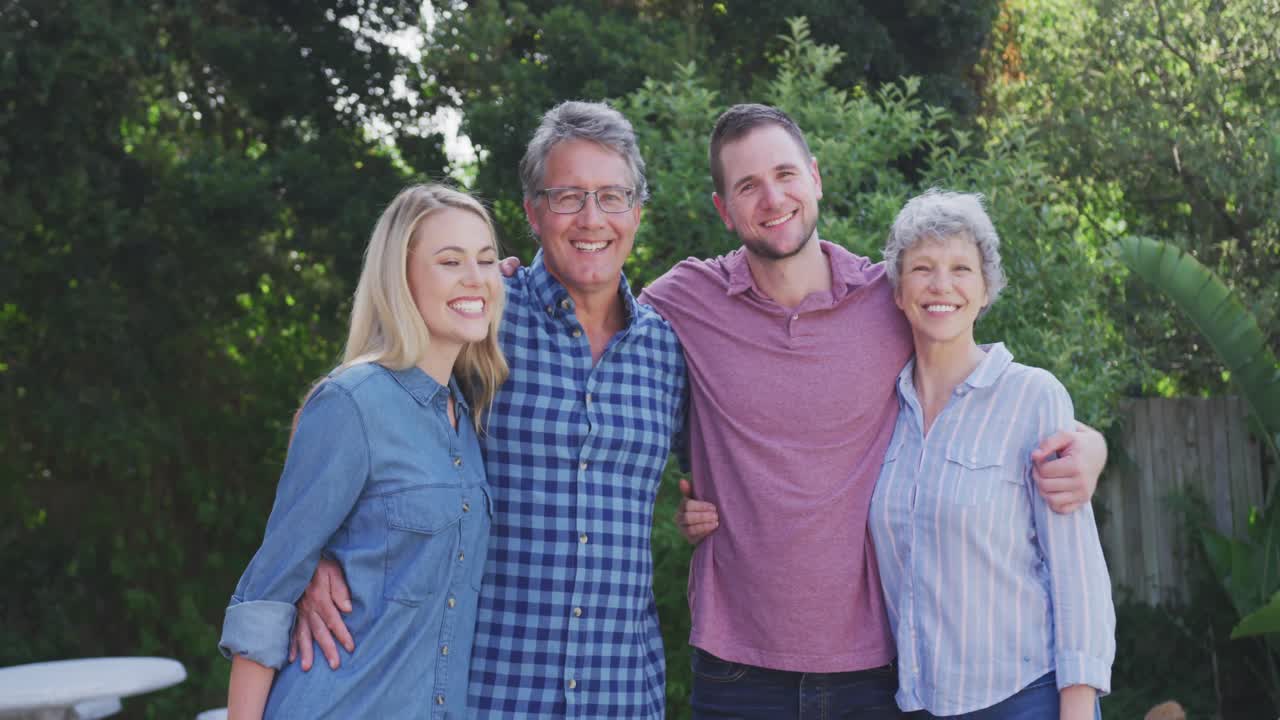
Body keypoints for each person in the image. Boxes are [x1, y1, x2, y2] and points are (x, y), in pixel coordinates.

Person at [649, 104, 1108, 719]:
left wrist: (1092, 447)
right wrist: (510, 279)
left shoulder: (882, 300)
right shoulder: (687, 298)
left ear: (816, 177)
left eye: (785, 174)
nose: (773, 198)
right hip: (738, 669)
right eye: (748, 185)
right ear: (723, 209)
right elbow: (597, 315)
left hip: (872, 677)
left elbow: (992, 394)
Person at [290, 102, 688, 718]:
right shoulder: (480, 315)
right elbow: (359, 414)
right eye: (568, 197)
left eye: (613, 196)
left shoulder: (668, 349)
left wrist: (705, 509)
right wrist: (313, 554)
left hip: (622, 693)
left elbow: (726, 468)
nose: (592, 218)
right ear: (532, 211)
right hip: (488, 694)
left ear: (638, 210)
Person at [218, 184, 508, 718]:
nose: (475, 277)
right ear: (400, 277)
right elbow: (267, 596)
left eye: (486, 260)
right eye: (450, 261)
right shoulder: (353, 401)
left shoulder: (466, 415)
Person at [869, 189, 1114, 718]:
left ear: (985, 290)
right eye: (922, 268)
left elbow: (1078, 572)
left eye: (961, 269)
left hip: (1027, 698)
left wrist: (1077, 707)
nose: (941, 285)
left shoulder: (1032, 396)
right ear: (898, 291)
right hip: (919, 705)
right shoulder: (880, 411)